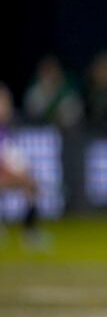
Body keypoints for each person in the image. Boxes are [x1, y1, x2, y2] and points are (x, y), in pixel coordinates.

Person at [0, 83, 45, 248]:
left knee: (31, 185)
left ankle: (29, 233)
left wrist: (23, 175)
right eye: (3, 103)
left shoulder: (4, 132)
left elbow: (12, 161)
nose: (7, 108)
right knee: (29, 183)